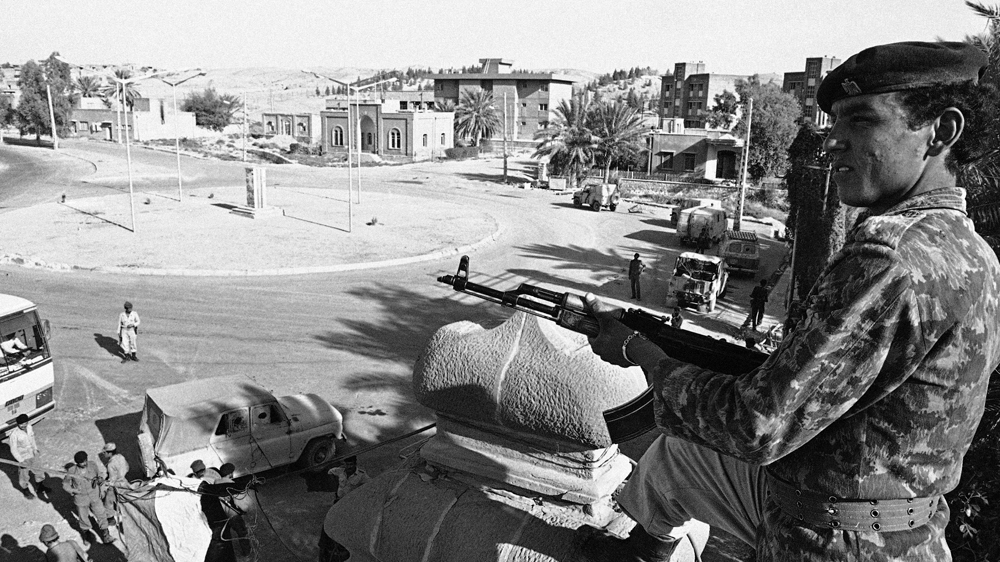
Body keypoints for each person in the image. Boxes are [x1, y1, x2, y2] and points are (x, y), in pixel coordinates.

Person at [582, 42, 1000, 561]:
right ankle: (645, 548)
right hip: (893, 520)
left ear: (942, 130)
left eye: (862, 121)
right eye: (834, 123)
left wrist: (640, 353)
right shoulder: (969, 247)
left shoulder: (891, 255)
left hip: (836, 542)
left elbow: (758, 426)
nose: (833, 143)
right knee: (683, 452)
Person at [63, 451, 114, 544]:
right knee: (83, 518)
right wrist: (73, 490)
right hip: (81, 498)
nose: (84, 464)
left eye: (85, 461)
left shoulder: (92, 465)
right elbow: (65, 484)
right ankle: (87, 534)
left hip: (94, 495)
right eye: (81, 463)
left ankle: (106, 535)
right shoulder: (71, 471)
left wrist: (100, 479)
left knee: (101, 513)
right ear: (77, 463)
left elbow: (99, 474)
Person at [8, 414, 51, 500]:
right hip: (23, 457)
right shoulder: (14, 434)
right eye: (21, 424)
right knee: (24, 475)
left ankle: (39, 487)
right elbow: (13, 449)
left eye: (25, 423)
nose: (23, 425)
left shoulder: (29, 427)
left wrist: (35, 449)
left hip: (33, 454)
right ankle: (25, 490)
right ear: (17, 424)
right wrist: (20, 460)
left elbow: (32, 439)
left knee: (39, 470)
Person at [99, 442, 129, 519]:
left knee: (107, 499)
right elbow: (127, 467)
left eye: (104, 452)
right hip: (124, 481)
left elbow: (111, 481)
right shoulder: (121, 457)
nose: (104, 454)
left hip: (116, 484)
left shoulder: (110, 464)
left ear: (109, 453)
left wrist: (104, 482)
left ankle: (110, 517)